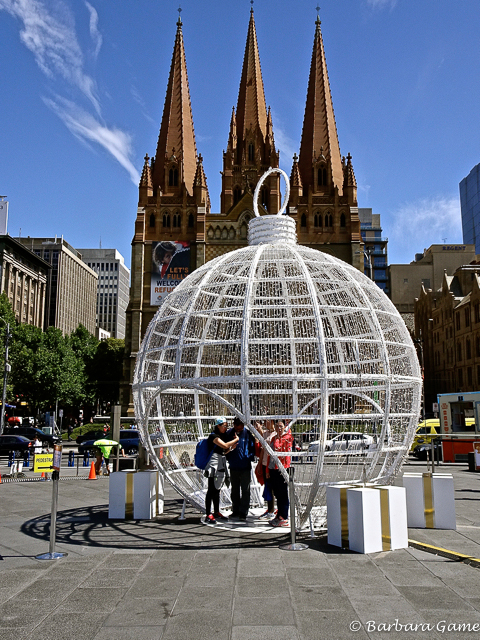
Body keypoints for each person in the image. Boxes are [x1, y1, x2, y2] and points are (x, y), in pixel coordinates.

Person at [204, 417, 239, 524]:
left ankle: (216, 511)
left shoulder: (221, 436)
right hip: (213, 465)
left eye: (226, 426)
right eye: (224, 426)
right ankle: (208, 513)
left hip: (220, 463)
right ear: (218, 426)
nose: (225, 428)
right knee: (211, 489)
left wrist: (232, 448)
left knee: (217, 489)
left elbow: (223, 451)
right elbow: (224, 445)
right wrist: (236, 440)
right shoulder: (213, 436)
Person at [226, 417, 255, 522]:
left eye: (240, 428)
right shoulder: (229, 433)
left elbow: (252, 448)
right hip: (233, 466)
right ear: (234, 425)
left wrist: (249, 457)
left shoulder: (247, 434)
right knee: (235, 490)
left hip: (245, 467)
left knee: (245, 490)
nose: (238, 430)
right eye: (236, 427)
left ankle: (243, 512)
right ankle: (236, 510)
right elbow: (225, 447)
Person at [265, 421, 293, 528]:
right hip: (273, 468)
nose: (279, 428)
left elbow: (280, 448)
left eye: (281, 426)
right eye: (277, 426)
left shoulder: (287, 438)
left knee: (283, 493)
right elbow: (269, 455)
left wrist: (282, 435)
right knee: (277, 493)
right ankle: (279, 514)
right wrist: (268, 470)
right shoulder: (273, 438)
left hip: (283, 468)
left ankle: (284, 516)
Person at [254, 420, 276, 520]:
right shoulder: (265, 433)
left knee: (273, 487)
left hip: (272, 464)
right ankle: (270, 508)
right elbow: (263, 449)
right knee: (268, 487)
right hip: (264, 463)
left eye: (267, 421)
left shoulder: (276, 434)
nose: (265, 423)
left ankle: (272, 510)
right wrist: (259, 464)